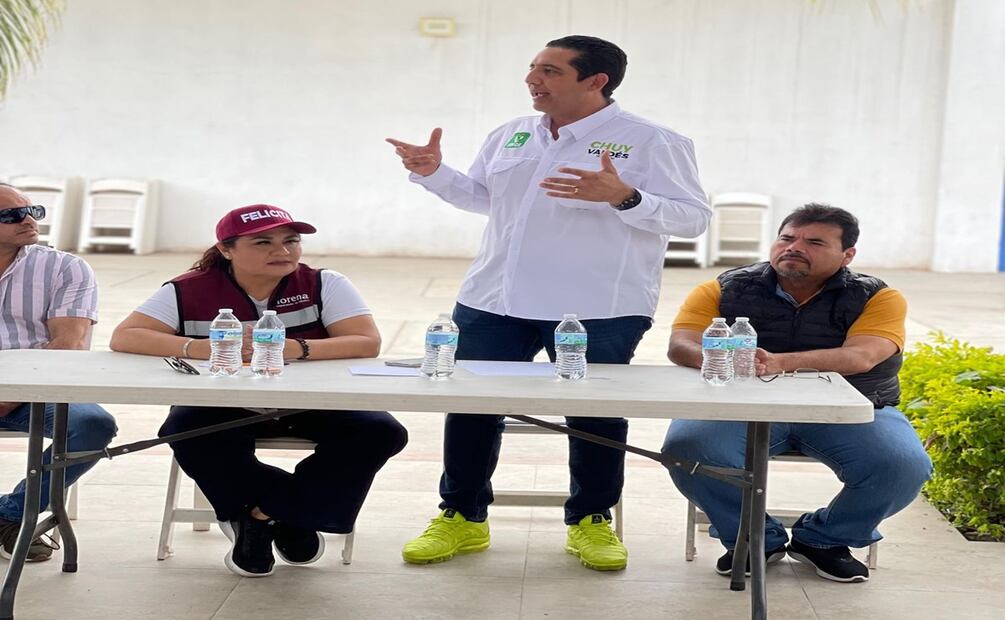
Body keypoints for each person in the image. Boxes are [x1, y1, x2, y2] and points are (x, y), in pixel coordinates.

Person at [387, 35, 710, 571]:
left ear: (596, 80)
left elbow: (693, 217)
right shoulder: (511, 134)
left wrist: (625, 197)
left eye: (550, 71)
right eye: (533, 68)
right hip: (493, 299)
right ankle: (462, 516)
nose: (532, 79)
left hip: (597, 306)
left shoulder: (652, 141)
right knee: (470, 407)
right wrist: (432, 173)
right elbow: (485, 199)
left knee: (596, 415)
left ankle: (591, 520)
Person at [109, 204, 407, 578]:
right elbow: (125, 336)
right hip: (225, 402)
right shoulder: (187, 288)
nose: (281, 251)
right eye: (263, 242)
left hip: (315, 402)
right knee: (185, 430)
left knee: (381, 432)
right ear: (226, 250)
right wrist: (200, 346)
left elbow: (365, 341)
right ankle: (294, 515)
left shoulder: (324, 282)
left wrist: (293, 349)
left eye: (291, 241)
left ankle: (260, 515)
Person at [662, 204, 932, 583]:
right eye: (787, 238)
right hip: (741, 406)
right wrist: (725, 356)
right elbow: (680, 345)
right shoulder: (724, 288)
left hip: (848, 407)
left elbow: (862, 356)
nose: (794, 247)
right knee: (687, 449)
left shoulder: (878, 297)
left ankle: (825, 540)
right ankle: (754, 538)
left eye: (814, 242)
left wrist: (779, 362)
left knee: (901, 466)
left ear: (847, 255)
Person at [0, 183, 117, 562]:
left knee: (93, 424)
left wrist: (12, 394)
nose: (28, 220)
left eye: (32, 209)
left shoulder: (63, 267)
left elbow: (68, 345)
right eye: (11, 215)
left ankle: (12, 514)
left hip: (40, 386)